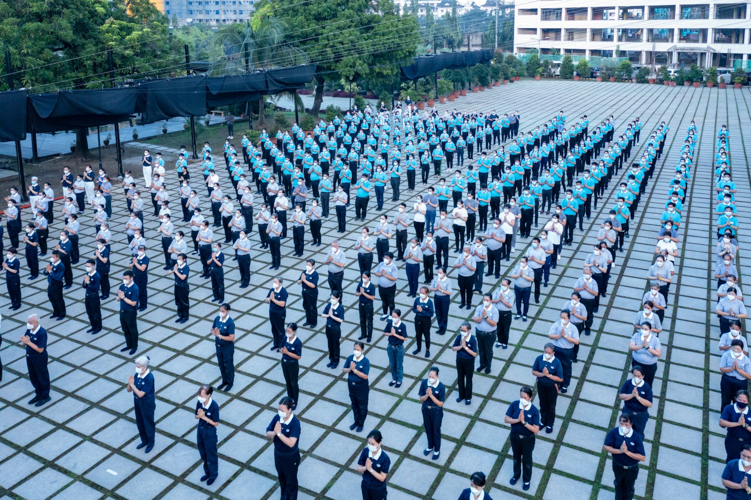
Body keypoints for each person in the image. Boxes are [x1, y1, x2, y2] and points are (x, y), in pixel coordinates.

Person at [504, 386, 540, 491]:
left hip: (528, 439)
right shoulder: (515, 404)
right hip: (515, 436)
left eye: (525, 397)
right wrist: (518, 420)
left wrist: (524, 422)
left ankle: (526, 480)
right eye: (521, 396)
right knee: (516, 457)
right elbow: (506, 419)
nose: (522, 399)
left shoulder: (534, 411)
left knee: (527, 460)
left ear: (530, 398)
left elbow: (536, 430)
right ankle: (516, 475)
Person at [603, 414, 647, 500]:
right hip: (618, 465)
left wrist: (627, 452)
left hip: (631, 469)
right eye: (621, 424)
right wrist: (619, 451)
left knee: (629, 487)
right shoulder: (614, 432)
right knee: (618, 484)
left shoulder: (636, 437)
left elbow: (642, 457)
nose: (623, 427)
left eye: (626, 425)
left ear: (631, 425)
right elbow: (606, 447)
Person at [266, 397, 301, 500]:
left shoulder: (295, 423)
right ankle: (284, 496)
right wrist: (275, 432)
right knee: (282, 478)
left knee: (291, 480)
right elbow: (268, 433)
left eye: (282, 410)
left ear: (290, 410)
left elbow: (291, 443)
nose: (279, 412)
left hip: (290, 456)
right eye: (279, 409)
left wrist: (279, 433)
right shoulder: (277, 418)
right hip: (278, 454)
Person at [532, 343, 563, 434]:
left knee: (551, 406)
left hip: (552, 387)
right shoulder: (539, 358)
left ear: (553, 353)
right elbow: (534, 371)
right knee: (543, 404)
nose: (547, 354)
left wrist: (549, 375)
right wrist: (542, 374)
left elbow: (560, 378)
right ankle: (543, 421)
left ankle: (550, 424)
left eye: (549, 352)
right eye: (545, 352)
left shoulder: (557, 362)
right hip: (541, 385)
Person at [128, 355, 155, 453]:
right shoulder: (137, 375)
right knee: (140, 422)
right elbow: (129, 390)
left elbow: (140, 394)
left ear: (144, 367)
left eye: (138, 367)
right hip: (138, 403)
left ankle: (151, 442)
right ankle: (144, 440)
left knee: (148, 423)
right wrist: (129, 383)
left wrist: (132, 385)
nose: (137, 368)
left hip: (146, 403)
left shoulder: (149, 377)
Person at [22, 314, 51, 407]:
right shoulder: (30, 329)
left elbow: (40, 349)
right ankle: (38, 394)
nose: (28, 324)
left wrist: (28, 342)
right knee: (33, 376)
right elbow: (25, 341)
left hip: (39, 357)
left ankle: (45, 396)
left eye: (30, 322)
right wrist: (24, 341)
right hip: (30, 356)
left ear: (36, 322)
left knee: (42, 376)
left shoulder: (41, 333)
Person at [194, 385, 220, 485]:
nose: (200, 397)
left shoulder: (214, 406)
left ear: (208, 395)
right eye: (199, 394)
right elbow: (196, 415)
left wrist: (204, 417)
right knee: (203, 453)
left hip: (209, 432)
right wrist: (199, 416)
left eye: (202, 395)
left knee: (211, 454)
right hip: (200, 430)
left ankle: (213, 474)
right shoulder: (199, 402)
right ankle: (207, 473)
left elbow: (216, 423)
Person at [548, 310, 579, 393]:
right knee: (556, 367)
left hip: (567, 351)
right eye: (561, 317)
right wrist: (559, 335)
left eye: (564, 318)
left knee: (567, 369)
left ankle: (565, 385)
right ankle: (557, 382)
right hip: (557, 349)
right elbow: (550, 335)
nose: (562, 319)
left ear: (568, 318)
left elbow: (576, 341)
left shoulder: (573, 328)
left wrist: (565, 336)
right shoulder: (556, 324)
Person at [618, 365, 653, 439]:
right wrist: (632, 395)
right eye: (634, 375)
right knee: (624, 430)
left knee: (639, 433)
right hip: (627, 411)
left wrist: (638, 397)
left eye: (639, 376)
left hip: (640, 415)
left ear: (643, 376)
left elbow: (649, 404)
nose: (636, 378)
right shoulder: (628, 383)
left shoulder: (646, 387)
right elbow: (621, 396)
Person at [418, 366, 445, 461]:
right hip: (426, 409)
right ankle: (430, 446)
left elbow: (440, 403)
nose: (431, 378)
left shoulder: (441, 386)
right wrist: (426, 395)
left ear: (437, 376)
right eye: (430, 376)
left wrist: (431, 395)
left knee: (436, 430)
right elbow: (421, 398)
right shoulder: (424, 382)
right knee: (428, 428)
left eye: (433, 377)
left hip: (436, 410)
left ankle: (437, 449)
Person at [344, 342, 370, 432]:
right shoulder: (350, 358)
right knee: (354, 404)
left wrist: (354, 370)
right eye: (354, 349)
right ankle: (356, 421)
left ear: (362, 350)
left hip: (361, 387)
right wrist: (350, 369)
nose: (355, 351)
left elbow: (365, 376)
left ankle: (361, 423)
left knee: (362, 406)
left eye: (358, 349)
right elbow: (344, 369)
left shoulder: (365, 361)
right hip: (351, 385)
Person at [357, 429, 390, 500]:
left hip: (378, 488)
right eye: (369, 443)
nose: (370, 446)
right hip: (366, 485)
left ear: (379, 443)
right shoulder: (365, 451)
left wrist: (370, 469)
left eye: (372, 444)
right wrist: (365, 467)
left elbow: (382, 478)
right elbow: (359, 468)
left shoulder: (385, 458)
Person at [720, 390, 751, 462]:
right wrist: (738, 423)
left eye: (744, 400)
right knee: (731, 460)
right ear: (735, 398)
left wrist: (744, 425)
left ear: (748, 402)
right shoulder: (729, 408)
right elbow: (722, 422)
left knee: (745, 461)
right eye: (740, 400)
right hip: (733, 439)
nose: (742, 402)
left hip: (747, 441)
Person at [629, 322, 662, 388]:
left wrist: (647, 347)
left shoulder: (655, 340)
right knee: (636, 380)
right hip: (637, 363)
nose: (643, 331)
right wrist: (641, 345)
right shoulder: (636, 336)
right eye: (642, 329)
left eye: (646, 329)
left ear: (650, 330)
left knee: (647, 382)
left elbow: (658, 354)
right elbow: (631, 347)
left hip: (649, 366)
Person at [721, 340, 751, 411]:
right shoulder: (726, 355)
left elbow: (749, 376)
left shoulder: (746, 359)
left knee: (738, 401)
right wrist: (731, 368)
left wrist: (738, 369)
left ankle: (735, 417)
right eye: (733, 348)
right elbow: (722, 369)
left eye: (738, 349)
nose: (735, 350)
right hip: (727, 379)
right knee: (725, 399)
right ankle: (724, 417)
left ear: (742, 349)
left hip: (740, 382)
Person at [212, 303, 236, 392]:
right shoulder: (217, 318)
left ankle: (230, 382)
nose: (221, 312)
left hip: (227, 347)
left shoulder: (230, 322)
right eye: (220, 311)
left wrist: (220, 336)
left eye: (223, 311)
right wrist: (214, 333)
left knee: (228, 365)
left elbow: (231, 337)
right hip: (218, 346)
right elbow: (212, 329)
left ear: (227, 311)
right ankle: (224, 381)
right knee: (221, 364)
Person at [473, 294, 499, 374]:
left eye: (487, 300)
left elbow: (494, 324)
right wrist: (481, 316)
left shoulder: (494, 310)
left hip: (490, 334)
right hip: (479, 332)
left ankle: (488, 367)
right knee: (481, 349)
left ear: (491, 301)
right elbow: (475, 320)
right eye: (484, 299)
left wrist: (486, 317)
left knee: (488, 350)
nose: (485, 301)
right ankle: (482, 365)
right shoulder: (479, 308)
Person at [452, 322, 478, 405]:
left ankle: (468, 397)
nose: (462, 332)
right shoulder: (459, 337)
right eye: (461, 330)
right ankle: (461, 395)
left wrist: (465, 347)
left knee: (468, 379)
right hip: (459, 360)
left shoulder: (473, 340)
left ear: (469, 330)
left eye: (464, 330)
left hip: (469, 362)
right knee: (460, 378)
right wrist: (461, 346)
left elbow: (474, 353)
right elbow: (453, 348)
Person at [383, 309, 408, 387]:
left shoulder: (402, 326)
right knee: (392, 364)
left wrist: (395, 334)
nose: (393, 318)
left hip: (399, 348)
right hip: (390, 347)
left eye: (395, 316)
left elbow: (405, 338)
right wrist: (391, 333)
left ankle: (399, 380)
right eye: (392, 316)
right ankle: (394, 379)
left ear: (399, 317)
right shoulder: (390, 323)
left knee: (399, 365)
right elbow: (385, 333)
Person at [118, 271, 140, 355]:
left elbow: (133, 303)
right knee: (125, 329)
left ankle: (134, 346)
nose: (124, 280)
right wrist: (119, 297)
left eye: (126, 278)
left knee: (132, 329)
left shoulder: (135, 288)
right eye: (123, 278)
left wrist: (123, 297)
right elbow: (117, 298)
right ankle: (129, 344)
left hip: (130, 312)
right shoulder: (122, 286)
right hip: (122, 311)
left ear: (131, 278)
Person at [281, 323, 302, 409]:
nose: (287, 332)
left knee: (293, 383)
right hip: (284, 362)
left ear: (294, 331)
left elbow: (298, 356)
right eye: (287, 330)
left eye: (289, 331)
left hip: (292, 364)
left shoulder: (297, 342)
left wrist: (287, 352)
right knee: (288, 382)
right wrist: (281, 350)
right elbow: (281, 347)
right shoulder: (285, 338)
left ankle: (295, 401)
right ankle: (289, 399)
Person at [323, 291, 345, 368]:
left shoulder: (340, 308)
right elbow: (323, 314)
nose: (332, 299)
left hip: (335, 329)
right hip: (328, 328)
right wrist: (328, 315)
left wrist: (331, 316)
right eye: (331, 298)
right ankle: (331, 359)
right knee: (330, 344)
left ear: (338, 298)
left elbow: (341, 320)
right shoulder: (329, 305)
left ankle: (336, 361)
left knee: (335, 345)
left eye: (334, 298)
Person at [374, 252, 398, 321]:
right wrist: (381, 274)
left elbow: (394, 278)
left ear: (390, 259)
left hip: (390, 288)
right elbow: (376, 273)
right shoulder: (381, 264)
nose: (385, 259)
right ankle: (385, 314)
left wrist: (385, 275)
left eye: (387, 258)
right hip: (381, 287)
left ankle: (391, 315)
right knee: (384, 302)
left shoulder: (393, 267)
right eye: (384, 258)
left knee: (390, 302)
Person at [266, 277, 288, 351]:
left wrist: (273, 299)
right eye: (274, 281)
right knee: (274, 328)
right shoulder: (272, 290)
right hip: (272, 312)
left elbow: (282, 304)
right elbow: (266, 299)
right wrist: (269, 299)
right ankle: (276, 344)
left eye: (275, 282)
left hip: (279, 313)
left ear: (280, 283)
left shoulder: (283, 291)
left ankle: (281, 346)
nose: (274, 283)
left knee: (280, 330)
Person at [412, 286, 434, 357]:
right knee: (418, 335)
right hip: (418, 319)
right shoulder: (417, 300)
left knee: (426, 335)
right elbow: (413, 309)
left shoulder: (429, 302)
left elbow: (431, 314)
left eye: (423, 293)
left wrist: (422, 311)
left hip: (426, 321)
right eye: (420, 292)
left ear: (427, 293)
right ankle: (418, 348)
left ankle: (427, 349)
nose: (421, 294)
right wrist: (417, 310)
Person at [168, 253, 190, 323]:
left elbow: (183, 277)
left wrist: (176, 271)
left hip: (183, 286)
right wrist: (173, 270)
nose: (178, 260)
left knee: (184, 302)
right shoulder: (176, 265)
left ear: (184, 260)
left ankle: (185, 317)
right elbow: (168, 273)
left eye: (180, 259)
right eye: (178, 259)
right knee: (178, 302)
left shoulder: (186, 267)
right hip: (177, 285)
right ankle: (180, 316)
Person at [492, 279, 514, 349]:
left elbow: (510, 305)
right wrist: (498, 300)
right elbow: (492, 300)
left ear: (508, 285)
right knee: (498, 328)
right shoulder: (497, 291)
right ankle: (500, 341)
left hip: (506, 314)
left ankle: (505, 343)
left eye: (504, 285)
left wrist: (502, 300)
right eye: (502, 284)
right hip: (498, 312)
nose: (502, 286)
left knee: (505, 329)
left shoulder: (511, 294)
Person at [510, 257, 534, 321]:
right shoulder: (517, 268)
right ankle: (518, 313)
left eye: (523, 262)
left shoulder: (530, 270)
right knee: (518, 301)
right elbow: (512, 275)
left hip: (526, 289)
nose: (522, 263)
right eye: (521, 261)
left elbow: (531, 279)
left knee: (526, 302)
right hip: (517, 288)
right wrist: (519, 275)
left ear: (526, 262)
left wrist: (523, 275)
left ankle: (525, 314)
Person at [453, 245, 477, 309]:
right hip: (461, 276)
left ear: (469, 252)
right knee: (462, 290)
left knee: (469, 291)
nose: (465, 252)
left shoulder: (472, 258)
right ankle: (463, 302)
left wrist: (466, 264)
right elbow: (455, 265)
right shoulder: (460, 257)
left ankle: (469, 303)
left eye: (466, 251)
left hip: (469, 277)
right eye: (464, 251)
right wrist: (462, 264)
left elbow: (474, 269)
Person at [82, 259, 102, 334]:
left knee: (95, 312)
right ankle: (93, 325)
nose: (87, 267)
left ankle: (98, 327)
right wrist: (85, 282)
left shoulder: (97, 276)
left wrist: (88, 282)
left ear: (93, 266)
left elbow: (96, 288)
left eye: (88, 266)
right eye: (86, 266)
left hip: (94, 297)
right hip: (87, 296)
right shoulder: (87, 274)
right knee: (89, 312)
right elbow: (84, 286)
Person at [431, 267, 452, 335]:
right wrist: (436, 289)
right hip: (437, 297)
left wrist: (440, 290)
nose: (439, 274)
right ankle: (440, 327)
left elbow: (449, 292)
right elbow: (431, 288)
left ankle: (444, 328)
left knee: (444, 314)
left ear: (444, 273)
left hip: (444, 298)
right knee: (438, 313)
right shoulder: (435, 279)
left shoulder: (448, 280)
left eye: (440, 273)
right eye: (438, 272)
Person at [298, 259, 319, 328]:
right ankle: (308, 320)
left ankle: (314, 322)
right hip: (304, 291)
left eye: (309, 265)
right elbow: (298, 282)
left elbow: (313, 285)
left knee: (312, 307)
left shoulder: (315, 274)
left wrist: (304, 280)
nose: (307, 266)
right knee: (306, 306)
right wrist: (301, 279)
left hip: (312, 293)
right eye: (307, 265)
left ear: (313, 266)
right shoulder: (304, 272)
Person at [46, 250, 66, 320]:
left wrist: (50, 271)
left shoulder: (61, 266)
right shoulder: (51, 263)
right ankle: (56, 312)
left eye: (53, 257)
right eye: (51, 256)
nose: (52, 258)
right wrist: (46, 270)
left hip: (57, 285)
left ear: (57, 258)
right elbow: (45, 272)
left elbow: (58, 277)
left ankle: (62, 314)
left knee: (58, 299)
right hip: (50, 284)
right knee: (52, 299)